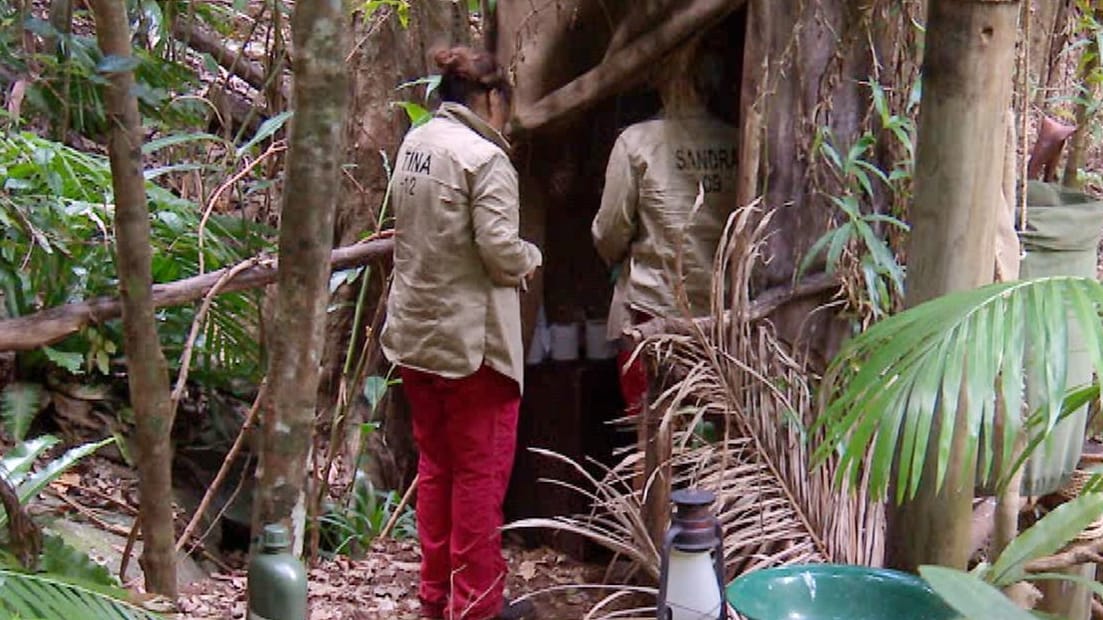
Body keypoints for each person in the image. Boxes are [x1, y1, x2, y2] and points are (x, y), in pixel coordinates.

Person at [380, 46, 542, 620]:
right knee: (478, 476)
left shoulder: (416, 144)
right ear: (491, 99)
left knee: (437, 467)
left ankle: (436, 597)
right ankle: (475, 606)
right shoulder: (485, 159)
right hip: (474, 351)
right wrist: (531, 255)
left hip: (416, 338)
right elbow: (499, 252)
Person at [591, 38, 739, 417]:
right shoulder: (738, 141)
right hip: (724, 318)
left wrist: (619, 257)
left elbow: (608, 232)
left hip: (651, 313)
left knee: (650, 430)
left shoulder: (636, 143)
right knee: (716, 434)